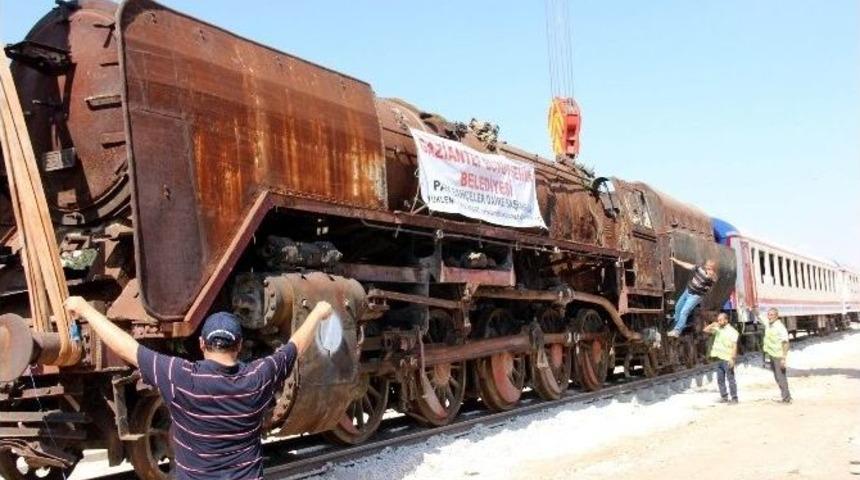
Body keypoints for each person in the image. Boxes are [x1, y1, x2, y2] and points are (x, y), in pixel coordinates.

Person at [64, 296, 333, 480]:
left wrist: (87, 310)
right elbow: (295, 346)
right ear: (239, 346)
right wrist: (319, 311)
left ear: (202, 344)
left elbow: (128, 348)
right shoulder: (258, 378)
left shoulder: (182, 378)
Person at [667, 258, 718, 337]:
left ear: (713, 268)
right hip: (687, 291)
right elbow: (688, 265)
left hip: (695, 296)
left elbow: (712, 277)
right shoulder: (700, 269)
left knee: (684, 312)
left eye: (710, 266)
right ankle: (677, 323)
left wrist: (710, 273)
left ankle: (677, 331)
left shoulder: (713, 276)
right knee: (677, 307)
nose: (707, 267)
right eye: (707, 265)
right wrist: (676, 261)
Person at [703, 312, 739, 403]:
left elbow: (734, 346)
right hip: (719, 358)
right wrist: (712, 324)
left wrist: (733, 359)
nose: (718, 322)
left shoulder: (733, 332)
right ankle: (724, 397)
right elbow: (705, 330)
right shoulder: (718, 329)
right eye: (718, 320)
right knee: (720, 379)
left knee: (730, 379)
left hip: (727, 359)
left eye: (720, 320)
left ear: (726, 320)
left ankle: (734, 398)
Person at [760, 307, 792, 403]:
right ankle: (785, 396)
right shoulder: (769, 324)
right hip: (771, 354)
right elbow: (759, 316)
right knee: (777, 376)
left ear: (777, 316)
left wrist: (783, 357)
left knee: (780, 377)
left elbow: (785, 342)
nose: (769, 317)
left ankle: (786, 398)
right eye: (768, 315)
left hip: (778, 355)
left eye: (772, 315)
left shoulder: (780, 327)